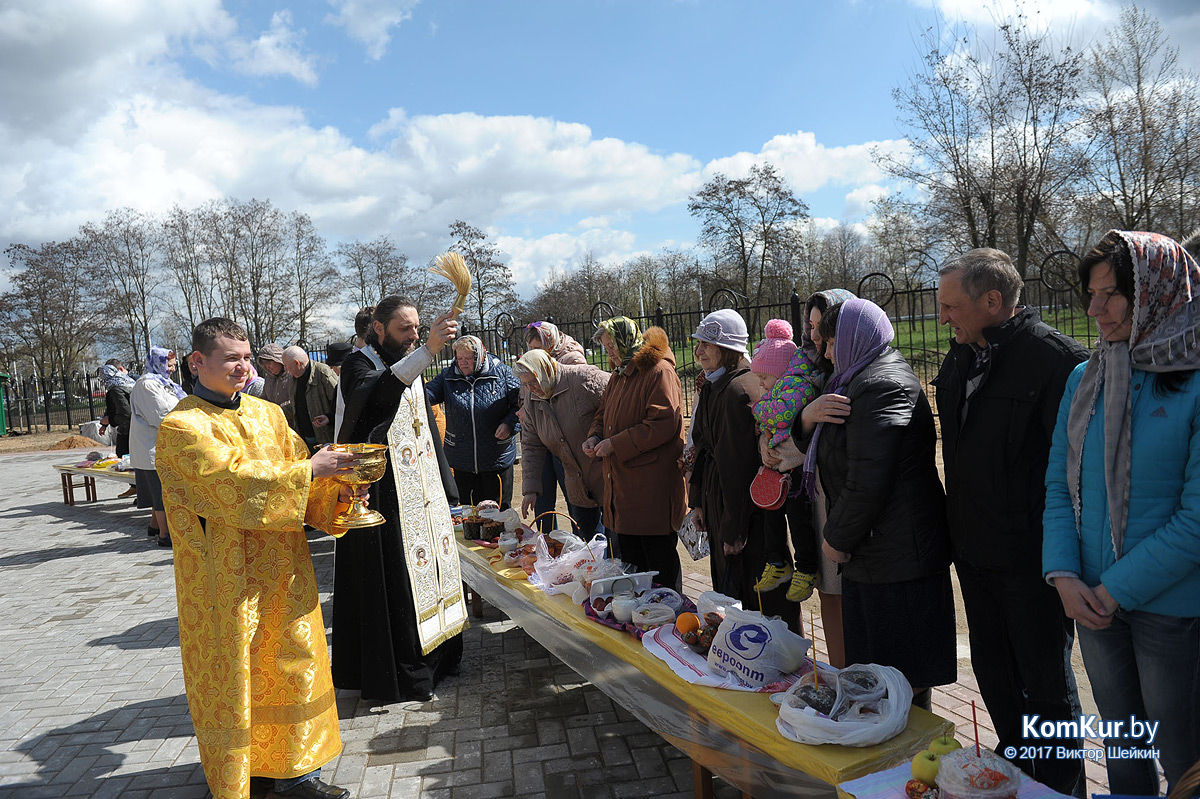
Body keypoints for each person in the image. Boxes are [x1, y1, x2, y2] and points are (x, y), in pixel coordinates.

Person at [156, 317, 359, 799]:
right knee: (237, 674)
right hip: (225, 583)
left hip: (283, 571)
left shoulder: (269, 414)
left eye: (247, 357)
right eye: (231, 358)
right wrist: (311, 468)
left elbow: (302, 477)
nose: (243, 367)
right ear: (198, 361)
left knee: (291, 664)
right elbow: (232, 483)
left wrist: (341, 488)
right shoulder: (182, 426)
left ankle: (295, 772)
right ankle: (241, 774)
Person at [1044, 230, 1200, 796]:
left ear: (1157, 295)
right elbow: (1060, 485)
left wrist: (1115, 589)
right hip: (1090, 601)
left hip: (1171, 609)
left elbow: (1196, 519)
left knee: (1183, 754)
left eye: (1110, 295)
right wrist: (1062, 574)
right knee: (1123, 747)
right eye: (1091, 294)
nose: (1094, 309)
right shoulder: (1084, 379)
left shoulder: (1194, 383)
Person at [934, 248, 1088, 795]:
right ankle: (1017, 776)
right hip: (973, 557)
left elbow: (1078, 475)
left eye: (951, 306)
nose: (943, 317)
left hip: (1032, 563)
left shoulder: (1057, 362)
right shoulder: (957, 359)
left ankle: (1061, 787)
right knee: (995, 677)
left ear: (992, 301)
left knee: (1046, 687)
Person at [806, 299, 955, 709]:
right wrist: (808, 417)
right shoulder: (853, 379)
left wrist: (836, 538)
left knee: (899, 682)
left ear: (856, 338)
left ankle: (908, 767)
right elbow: (831, 451)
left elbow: (869, 479)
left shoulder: (880, 385)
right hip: (878, 553)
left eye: (833, 342)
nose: (827, 352)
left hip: (896, 558)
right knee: (882, 680)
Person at [335, 295, 466, 703]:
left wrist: (449, 492)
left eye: (416, 329)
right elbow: (377, 397)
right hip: (386, 496)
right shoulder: (360, 365)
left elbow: (427, 430)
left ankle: (441, 657)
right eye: (404, 330)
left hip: (424, 492)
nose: (412, 336)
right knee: (400, 582)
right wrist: (428, 349)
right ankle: (406, 673)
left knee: (436, 572)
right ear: (379, 329)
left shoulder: (413, 363)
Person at [688, 310, 798, 631]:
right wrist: (697, 501)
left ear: (729, 348)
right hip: (720, 505)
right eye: (699, 344)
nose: (699, 352)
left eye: (707, 344)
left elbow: (735, 467)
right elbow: (701, 448)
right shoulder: (712, 386)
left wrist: (734, 530)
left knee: (760, 602)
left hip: (747, 515)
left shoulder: (739, 390)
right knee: (732, 595)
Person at [584, 317, 686, 592]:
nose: (609, 353)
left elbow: (664, 423)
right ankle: (639, 625)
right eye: (606, 348)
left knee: (659, 568)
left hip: (651, 491)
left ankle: (666, 626)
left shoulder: (658, 372)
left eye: (611, 346)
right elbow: (603, 413)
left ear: (625, 341)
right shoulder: (619, 374)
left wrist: (615, 444)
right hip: (624, 491)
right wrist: (595, 435)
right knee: (632, 566)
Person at [747, 320, 820, 602]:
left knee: (799, 520)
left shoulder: (798, 385)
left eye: (764, 377)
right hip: (776, 467)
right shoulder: (777, 389)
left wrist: (758, 410)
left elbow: (780, 415)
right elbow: (768, 421)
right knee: (770, 513)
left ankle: (805, 568)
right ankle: (777, 562)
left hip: (797, 470)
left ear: (780, 372)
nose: (761, 384)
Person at [514, 348, 609, 537]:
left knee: (618, 546)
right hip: (577, 482)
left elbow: (616, 402)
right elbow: (531, 446)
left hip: (607, 474)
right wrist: (530, 489)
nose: (531, 388)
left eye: (533, 381)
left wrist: (602, 437)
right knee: (588, 547)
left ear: (546, 371)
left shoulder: (583, 378)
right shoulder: (532, 400)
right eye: (525, 384)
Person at [425, 335, 521, 510]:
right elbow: (426, 395)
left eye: (468, 358)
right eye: (459, 358)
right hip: (462, 460)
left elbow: (520, 405)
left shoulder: (502, 373)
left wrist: (509, 424)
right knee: (469, 513)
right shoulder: (447, 376)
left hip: (496, 458)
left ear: (480, 356)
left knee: (498, 514)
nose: (463, 363)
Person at [523, 320, 587, 533]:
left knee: (576, 501)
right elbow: (526, 394)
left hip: (566, 441)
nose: (534, 353)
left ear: (550, 344)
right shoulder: (530, 364)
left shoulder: (572, 360)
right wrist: (523, 409)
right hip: (543, 437)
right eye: (530, 349)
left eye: (538, 349)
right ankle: (549, 545)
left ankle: (584, 549)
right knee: (542, 500)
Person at [130, 347, 185, 547]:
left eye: (173, 366)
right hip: (153, 447)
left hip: (165, 445)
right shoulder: (147, 385)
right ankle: (165, 534)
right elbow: (160, 415)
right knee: (161, 492)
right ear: (158, 363)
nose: (171, 370)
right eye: (168, 365)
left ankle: (154, 526)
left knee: (160, 489)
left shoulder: (164, 383)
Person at [283, 346, 339, 450]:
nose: (285, 369)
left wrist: (329, 418)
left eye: (286, 366)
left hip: (326, 439)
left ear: (297, 363)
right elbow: (297, 404)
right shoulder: (293, 378)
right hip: (304, 439)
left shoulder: (324, 374)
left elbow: (341, 402)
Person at [258, 343, 295, 423]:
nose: (268, 367)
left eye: (270, 363)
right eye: (265, 365)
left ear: (278, 360)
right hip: (274, 422)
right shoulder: (269, 378)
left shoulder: (292, 375)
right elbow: (265, 396)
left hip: (292, 423)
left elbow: (296, 400)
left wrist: (278, 410)